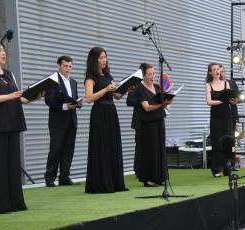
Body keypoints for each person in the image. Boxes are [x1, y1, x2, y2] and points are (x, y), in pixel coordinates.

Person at [0, 37, 43, 214]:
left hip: (12, 122)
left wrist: (36, 96)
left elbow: (20, 98)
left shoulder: (9, 74)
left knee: (12, 164)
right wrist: (9, 96)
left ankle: (14, 202)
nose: (3, 53)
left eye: (4, 50)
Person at [84, 46, 130, 193]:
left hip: (111, 112)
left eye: (105, 57)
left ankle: (115, 182)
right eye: (101, 57)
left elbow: (116, 96)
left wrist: (125, 90)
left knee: (112, 145)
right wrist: (105, 90)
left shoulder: (108, 76)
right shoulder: (90, 77)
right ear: (94, 59)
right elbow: (89, 98)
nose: (105, 60)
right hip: (99, 112)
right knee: (101, 146)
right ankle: (102, 183)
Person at [126, 62, 172, 186]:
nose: (152, 76)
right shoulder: (139, 88)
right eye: (149, 74)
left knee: (159, 149)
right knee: (150, 151)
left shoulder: (157, 87)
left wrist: (167, 100)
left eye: (153, 73)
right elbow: (146, 107)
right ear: (143, 75)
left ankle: (159, 177)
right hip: (147, 123)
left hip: (159, 121)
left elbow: (161, 101)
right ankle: (149, 178)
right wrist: (161, 105)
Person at [44, 56, 81, 187]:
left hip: (72, 120)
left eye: (70, 66)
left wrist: (78, 103)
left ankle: (64, 177)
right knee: (55, 150)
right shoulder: (52, 80)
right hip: (57, 121)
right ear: (58, 66)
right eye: (65, 66)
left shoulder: (74, 82)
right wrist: (65, 107)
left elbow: (74, 99)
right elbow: (49, 100)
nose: (68, 69)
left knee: (68, 150)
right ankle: (50, 178)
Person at [205, 62, 235, 177]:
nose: (217, 71)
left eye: (218, 69)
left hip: (227, 115)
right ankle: (216, 168)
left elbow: (230, 98)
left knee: (228, 141)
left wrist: (233, 100)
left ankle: (227, 167)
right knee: (217, 142)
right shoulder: (208, 85)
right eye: (214, 70)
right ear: (210, 73)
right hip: (216, 117)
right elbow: (209, 102)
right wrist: (222, 101)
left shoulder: (226, 83)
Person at [219, 64, 239, 170]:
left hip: (232, 116)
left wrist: (237, 100)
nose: (221, 73)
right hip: (221, 117)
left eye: (223, 71)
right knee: (222, 140)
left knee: (232, 141)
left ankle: (232, 162)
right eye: (219, 71)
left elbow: (238, 96)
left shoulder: (232, 83)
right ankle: (223, 163)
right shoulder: (216, 84)